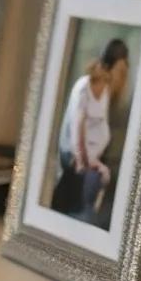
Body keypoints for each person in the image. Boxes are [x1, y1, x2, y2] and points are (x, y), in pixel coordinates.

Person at [52, 38, 130, 224]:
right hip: (77, 163)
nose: (123, 80)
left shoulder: (107, 96)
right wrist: (85, 161)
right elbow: (78, 131)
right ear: (112, 69)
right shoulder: (90, 89)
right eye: (121, 71)